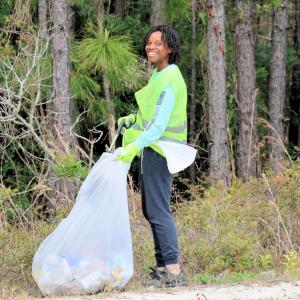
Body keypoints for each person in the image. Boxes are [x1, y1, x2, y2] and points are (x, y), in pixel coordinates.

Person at [116, 24, 187, 287]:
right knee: (150, 209)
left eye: (158, 43)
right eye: (149, 42)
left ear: (170, 47)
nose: (151, 46)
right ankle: (162, 268)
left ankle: (174, 271)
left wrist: (133, 147)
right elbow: (152, 116)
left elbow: (158, 127)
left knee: (158, 210)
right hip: (152, 149)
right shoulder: (158, 76)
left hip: (162, 150)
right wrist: (133, 119)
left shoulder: (170, 77)